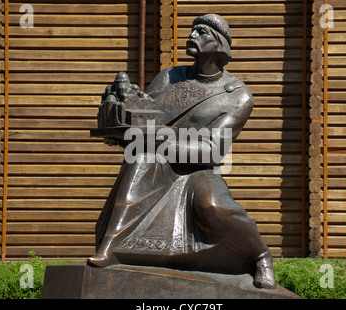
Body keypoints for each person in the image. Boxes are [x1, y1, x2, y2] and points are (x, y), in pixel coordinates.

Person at [87, 14, 276, 289]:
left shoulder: (237, 95)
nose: (193, 35)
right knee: (139, 161)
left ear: (220, 44)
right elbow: (145, 118)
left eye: (202, 32)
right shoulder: (168, 77)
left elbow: (213, 149)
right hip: (157, 160)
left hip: (199, 169)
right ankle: (111, 246)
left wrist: (159, 141)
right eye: (193, 29)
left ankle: (260, 255)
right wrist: (118, 119)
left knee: (212, 205)